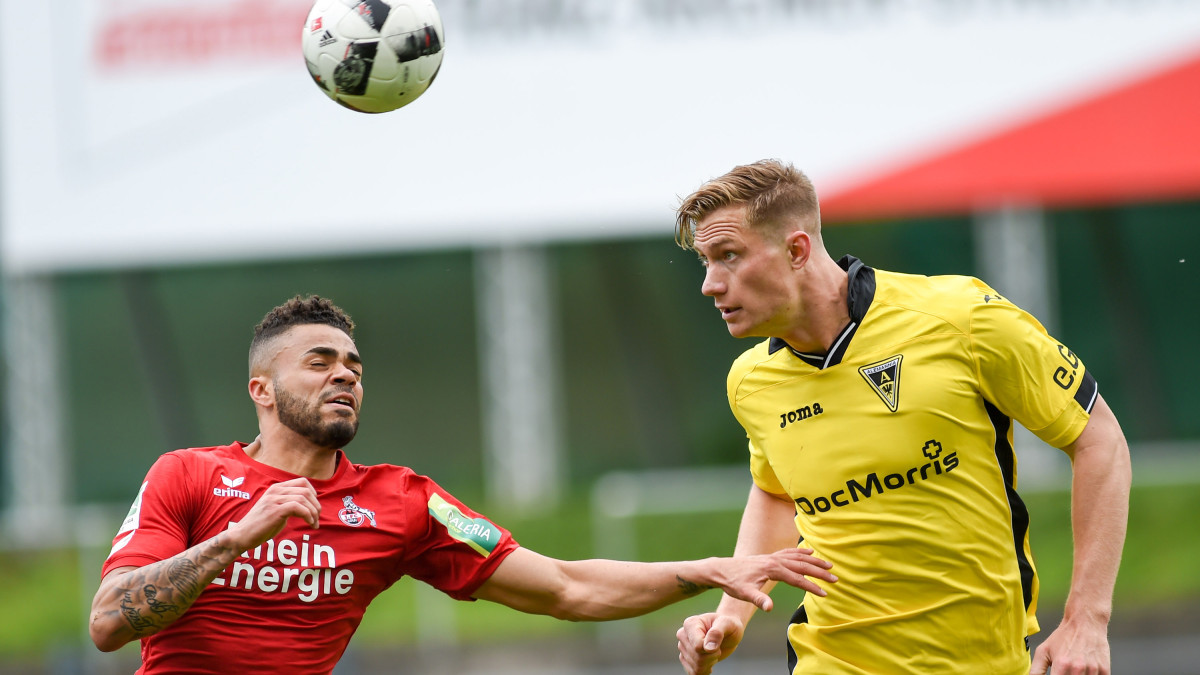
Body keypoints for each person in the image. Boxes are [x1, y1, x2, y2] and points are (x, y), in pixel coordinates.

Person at [88, 295, 839, 674]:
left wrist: (706, 570)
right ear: (261, 388)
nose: (345, 374)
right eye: (319, 362)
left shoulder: (403, 501)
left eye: (354, 365)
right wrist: (237, 537)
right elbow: (110, 622)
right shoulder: (187, 474)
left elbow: (566, 586)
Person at [671, 160, 1131, 675]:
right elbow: (777, 492)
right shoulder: (750, 381)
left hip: (982, 659)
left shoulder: (960, 317)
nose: (710, 284)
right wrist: (732, 613)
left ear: (797, 250)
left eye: (729, 256)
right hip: (830, 659)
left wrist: (1087, 618)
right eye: (706, 262)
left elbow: (1098, 438)